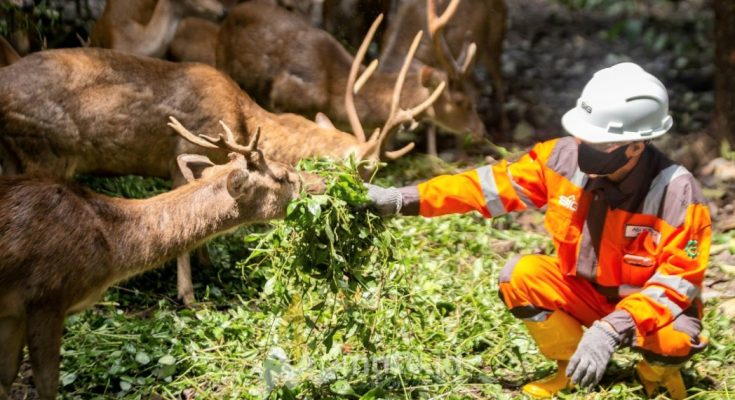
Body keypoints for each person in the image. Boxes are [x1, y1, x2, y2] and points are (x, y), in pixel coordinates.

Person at [366, 63, 711, 399]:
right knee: (520, 276)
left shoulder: (677, 193)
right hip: (584, 293)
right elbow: (483, 187)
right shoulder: (559, 159)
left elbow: (676, 283)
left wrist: (612, 329)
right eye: (582, 135)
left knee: (675, 340)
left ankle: (652, 375)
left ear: (636, 146)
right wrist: (402, 199)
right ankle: (570, 370)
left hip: (647, 310)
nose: (581, 148)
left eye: (596, 142)